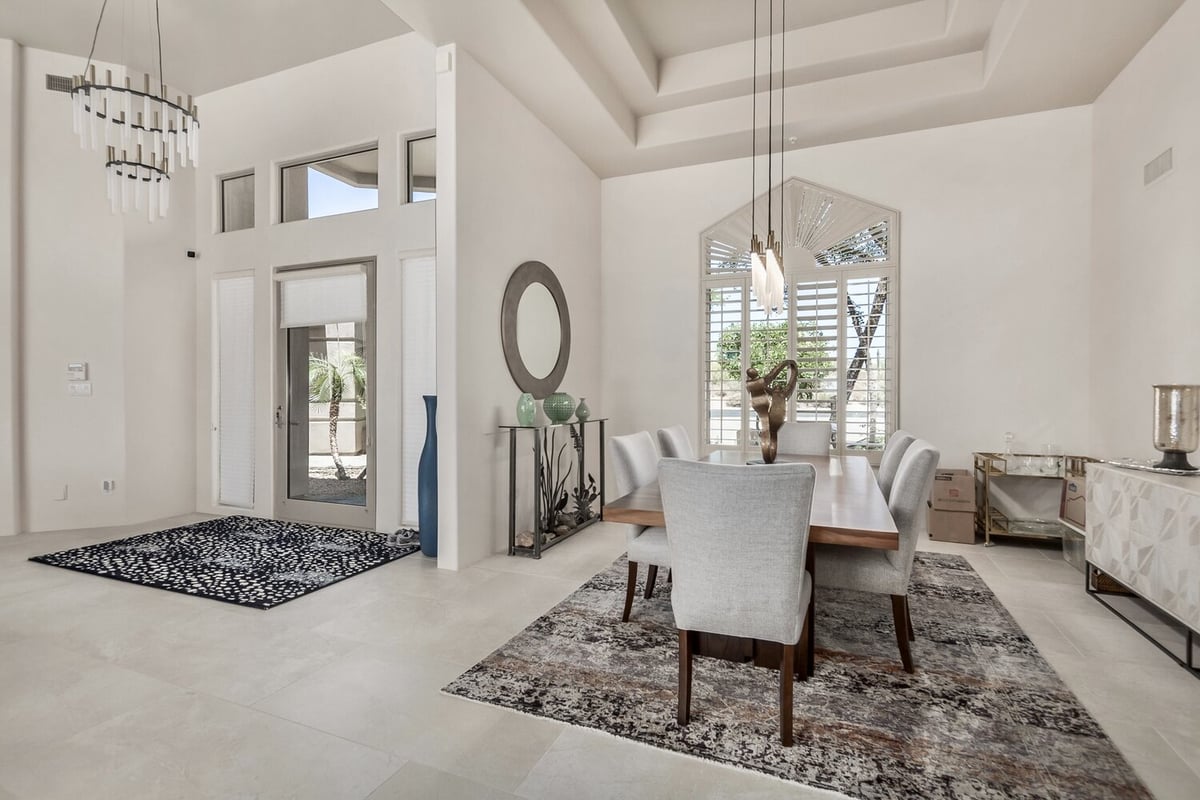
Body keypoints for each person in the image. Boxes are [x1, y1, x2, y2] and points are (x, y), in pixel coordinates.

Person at [745, 360, 797, 463]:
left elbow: (773, 377)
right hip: (764, 407)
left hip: (760, 406)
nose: (777, 387)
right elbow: (774, 374)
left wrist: (790, 366)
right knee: (769, 429)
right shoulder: (762, 381)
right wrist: (789, 364)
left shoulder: (749, 383)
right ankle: (768, 453)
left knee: (769, 429)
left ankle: (769, 453)